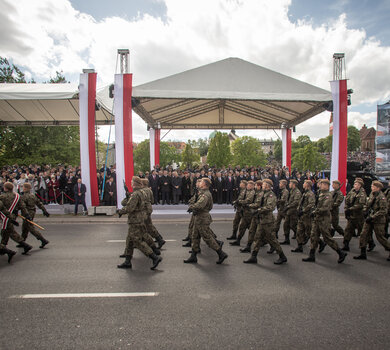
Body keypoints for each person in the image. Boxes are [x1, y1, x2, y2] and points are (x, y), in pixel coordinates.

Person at [117, 176, 162, 270]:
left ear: (134, 184)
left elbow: (130, 208)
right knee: (130, 241)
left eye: (131, 182)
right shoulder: (142, 192)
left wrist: (120, 211)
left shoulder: (136, 194)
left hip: (135, 220)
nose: (130, 183)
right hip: (140, 218)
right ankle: (127, 261)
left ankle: (154, 257)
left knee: (137, 241)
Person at [184, 178, 228, 264]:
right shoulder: (202, 192)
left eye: (201, 182)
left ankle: (221, 253)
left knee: (207, 237)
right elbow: (194, 201)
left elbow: (200, 205)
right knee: (195, 236)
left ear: (204, 184)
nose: (199, 183)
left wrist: (192, 207)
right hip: (199, 217)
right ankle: (193, 256)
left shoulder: (206, 194)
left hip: (202, 218)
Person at [302, 179, 347, 264]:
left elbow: (325, 208)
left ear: (326, 186)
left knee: (327, 238)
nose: (320, 185)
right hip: (317, 219)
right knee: (313, 236)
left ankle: (341, 252)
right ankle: (311, 255)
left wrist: (314, 212)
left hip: (324, 220)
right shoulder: (320, 194)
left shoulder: (328, 196)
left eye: (322, 184)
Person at [244, 179, 287, 265]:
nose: (262, 185)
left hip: (268, 221)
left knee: (272, 239)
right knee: (257, 237)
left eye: (263, 184)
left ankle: (282, 256)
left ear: (267, 185)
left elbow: (270, 207)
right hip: (261, 220)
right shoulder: (262, 194)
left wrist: (258, 210)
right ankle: (254, 256)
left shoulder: (271, 195)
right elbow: (258, 203)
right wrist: (250, 206)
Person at [354, 181, 390, 261]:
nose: (371, 187)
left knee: (380, 237)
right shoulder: (371, 194)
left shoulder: (381, 197)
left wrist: (373, 217)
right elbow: (367, 204)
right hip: (369, 219)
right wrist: (365, 211)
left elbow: (383, 211)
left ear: (378, 188)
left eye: (373, 186)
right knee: (363, 234)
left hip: (378, 220)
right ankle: (363, 253)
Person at [0, 182, 33, 255]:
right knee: (7, 231)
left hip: (6, 216)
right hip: (13, 215)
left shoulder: (2, 196)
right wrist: (27, 214)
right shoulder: (17, 196)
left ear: (5, 188)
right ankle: (3, 248)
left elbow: (1, 207)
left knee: (9, 232)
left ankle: (25, 245)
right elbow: (22, 206)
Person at [19, 182, 50, 248]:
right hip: (32, 212)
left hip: (27, 212)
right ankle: (22, 241)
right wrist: (44, 210)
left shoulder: (24, 196)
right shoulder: (33, 195)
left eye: (23, 187)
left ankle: (43, 240)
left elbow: (22, 206)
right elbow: (39, 203)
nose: (23, 188)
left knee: (30, 228)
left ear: (26, 188)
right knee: (24, 227)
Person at [291, 180, 315, 253]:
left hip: (306, 216)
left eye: (304, 183)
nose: (303, 184)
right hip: (301, 216)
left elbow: (311, 204)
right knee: (299, 231)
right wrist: (299, 210)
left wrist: (303, 210)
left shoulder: (310, 194)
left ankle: (320, 243)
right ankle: (299, 246)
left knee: (309, 232)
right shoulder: (305, 193)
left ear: (307, 185)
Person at [342, 178, 367, 251]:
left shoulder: (362, 193)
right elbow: (347, 200)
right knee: (348, 230)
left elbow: (361, 205)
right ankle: (346, 244)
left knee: (362, 232)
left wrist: (350, 209)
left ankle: (368, 244)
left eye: (356, 184)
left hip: (359, 216)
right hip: (352, 215)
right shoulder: (352, 191)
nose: (354, 185)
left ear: (359, 185)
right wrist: (347, 209)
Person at [230, 181, 256, 247]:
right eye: (248, 185)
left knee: (251, 228)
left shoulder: (252, 192)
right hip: (243, 211)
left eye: (249, 186)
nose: (248, 187)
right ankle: (238, 240)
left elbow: (248, 200)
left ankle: (260, 240)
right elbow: (241, 198)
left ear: (253, 186)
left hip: (249, 212)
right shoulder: (245, 191)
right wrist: (237, 202)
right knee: (242, 226)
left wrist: (239, 202)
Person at [282, 179, 301, 245]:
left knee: (293, 225)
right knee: (286, 225)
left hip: (293, 211)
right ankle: (286, 240)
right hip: (289, 211)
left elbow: (296, 202)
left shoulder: (297, 192)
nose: (289, 185)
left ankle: (300, 239)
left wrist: (288, 206)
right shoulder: (291, 191)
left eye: (290, 183)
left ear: (294, 184)